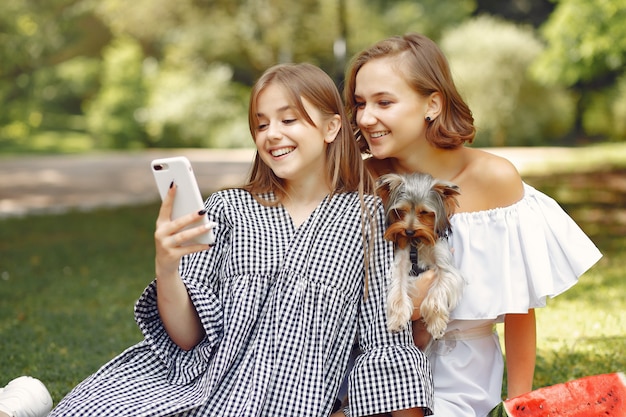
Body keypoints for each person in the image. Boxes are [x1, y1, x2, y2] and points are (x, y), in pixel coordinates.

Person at [48, 63, 433, 416]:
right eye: (261, 124)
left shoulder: (371, 221)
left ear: (331, 128)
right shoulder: (228, 209)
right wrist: (166, 266)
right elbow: (187, 339)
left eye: (289, 119)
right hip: (196, 393)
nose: (273, 135)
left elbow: (386, 345)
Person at [344, 33, 602, 416]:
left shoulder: (494, 179)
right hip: (374, 369)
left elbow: (519, 306)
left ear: (432, 104)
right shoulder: (362, 183)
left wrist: (521, 403)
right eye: (360, 103)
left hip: (461, 375)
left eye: (384, 102)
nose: (366, 117)